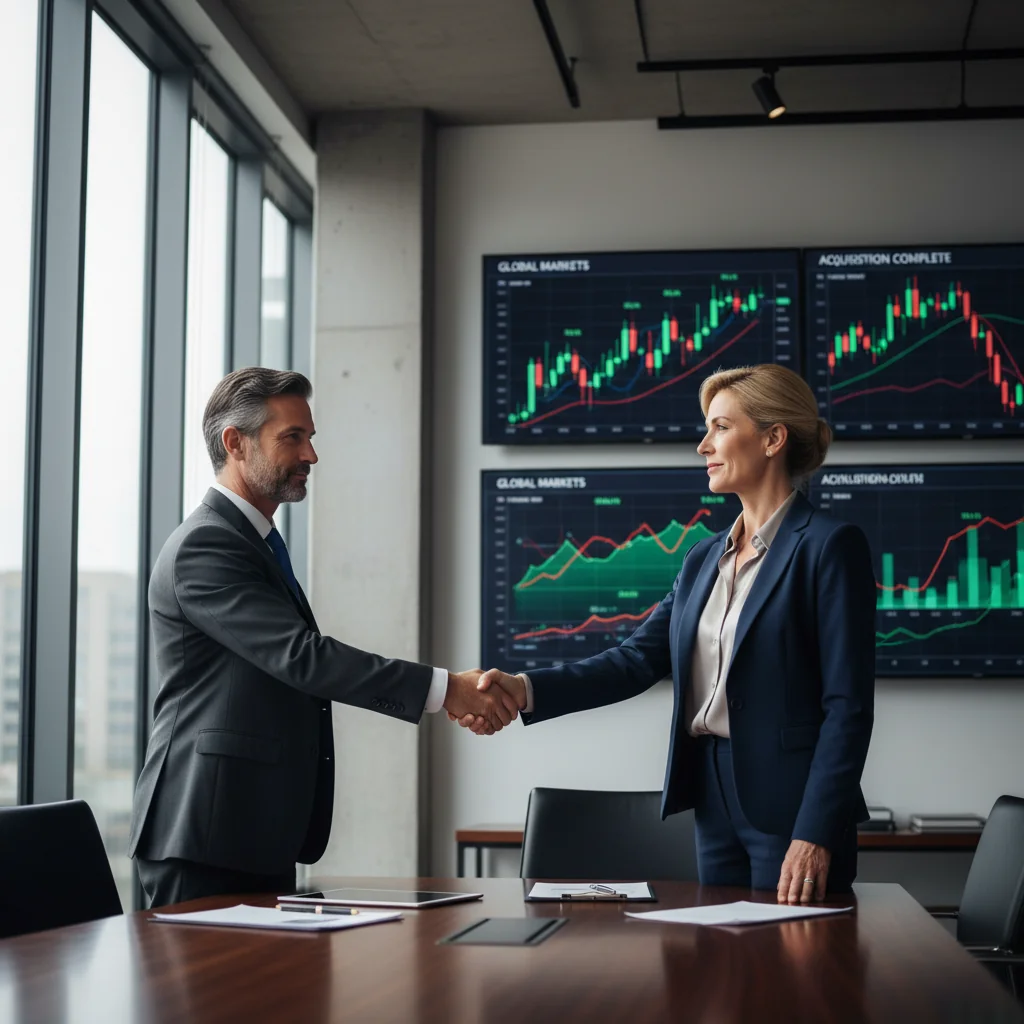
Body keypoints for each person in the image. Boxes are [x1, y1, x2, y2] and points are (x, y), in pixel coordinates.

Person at [460, 364, 877, 902]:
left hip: (793, 805)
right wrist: (523, 689)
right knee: (722, 950)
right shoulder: (704, 557)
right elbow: (635, 660)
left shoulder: (829, 546)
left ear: (773, 438)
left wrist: (816, 832)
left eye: (721, 427)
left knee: (792, 952)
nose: (704, 445)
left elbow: (848, 708)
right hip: (710, 793)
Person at [130, 367, 518, 907]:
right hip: (204, 833)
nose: (311, 455)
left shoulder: (252, 543)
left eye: (310, 437)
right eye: (292, 437)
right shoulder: (207, 546)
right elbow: (301, 658)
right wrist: (446, 689)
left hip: (249, 831)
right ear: (235, 443)